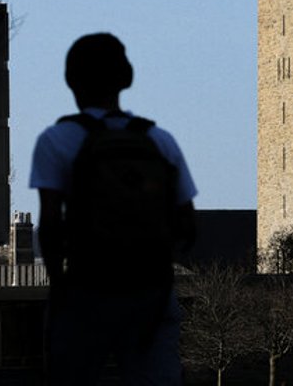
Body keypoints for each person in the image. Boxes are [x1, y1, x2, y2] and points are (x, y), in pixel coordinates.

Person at [31, 33, 198, 385]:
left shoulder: (56, 140)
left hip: (86, 289)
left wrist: (60, 287)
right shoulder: (159, 140)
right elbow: (188, 224)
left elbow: (48, 228)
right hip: (151, 294)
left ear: (70, 81)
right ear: (126, 79)